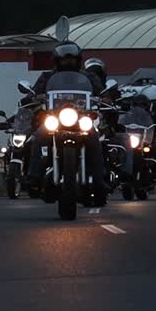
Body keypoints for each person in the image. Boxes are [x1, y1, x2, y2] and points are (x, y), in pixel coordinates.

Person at [28, 42, 109, 198]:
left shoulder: (89, 77)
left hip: (80, 119)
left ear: (78, 60)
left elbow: (101, 92)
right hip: (56, 118)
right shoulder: (47, 77)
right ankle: (34, 176)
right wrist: (31, 97)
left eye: (72, 59)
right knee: (38, 136)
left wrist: (105, 98)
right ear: (57, 60)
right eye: (65, 59)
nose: (68, 62)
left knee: (94, 138)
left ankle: (100, 179)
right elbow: (34, 93)